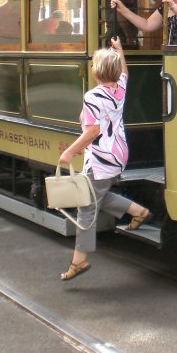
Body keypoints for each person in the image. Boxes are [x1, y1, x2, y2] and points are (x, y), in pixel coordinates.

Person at [58, 37, 152, 281]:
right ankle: (139, 211)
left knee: (86, 207)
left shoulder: (93, 96)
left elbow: (93, 131)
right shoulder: (119, 88)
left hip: (101, 157)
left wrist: (70, 151)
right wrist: (120, 49)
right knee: (98, 193)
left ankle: (79, 261)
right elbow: (125, 71)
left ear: (97, 71)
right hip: (118, 153)